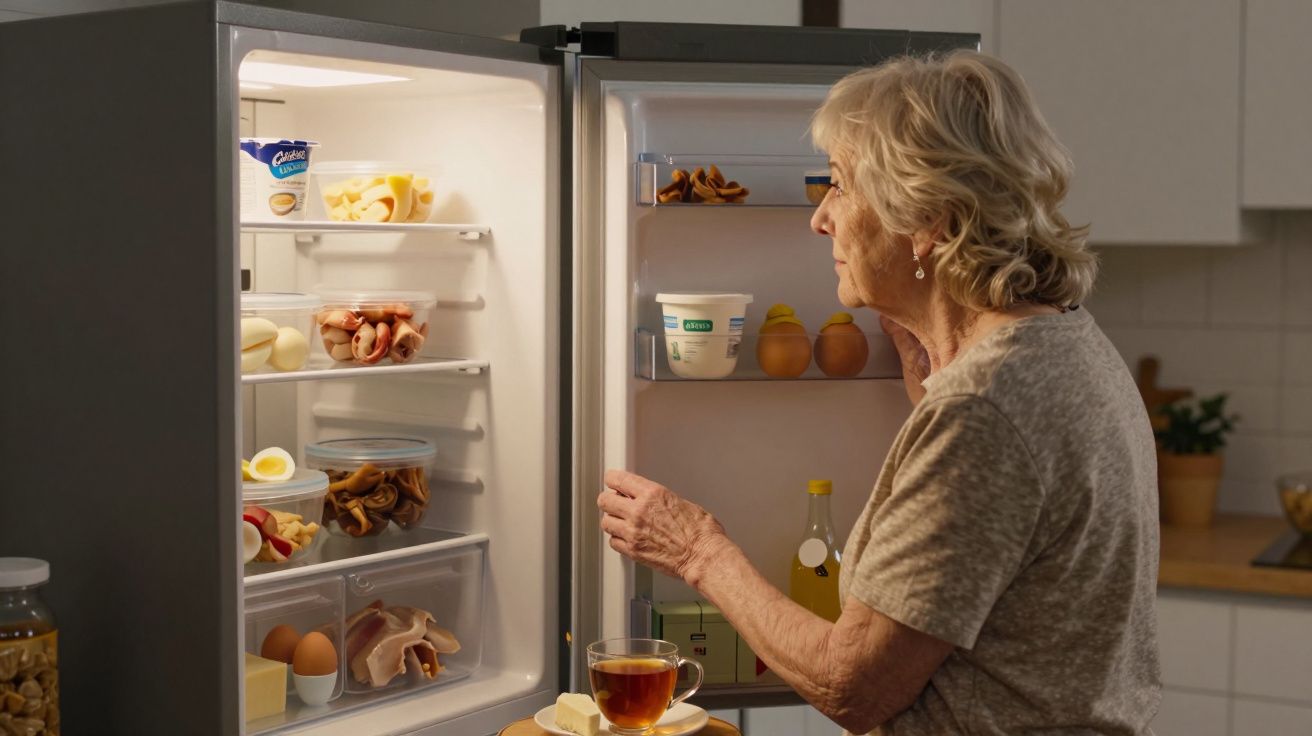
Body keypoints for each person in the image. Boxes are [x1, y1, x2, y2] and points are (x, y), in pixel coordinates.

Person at [597, 51, 1161, 735]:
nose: (820, 219)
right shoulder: (1066, 344)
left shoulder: (982, 412)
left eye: (839, 186)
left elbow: (852, 685)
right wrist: (933, 382)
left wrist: (699, 552)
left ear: (925, 218)